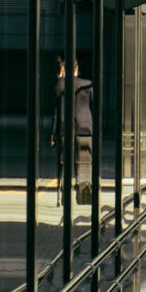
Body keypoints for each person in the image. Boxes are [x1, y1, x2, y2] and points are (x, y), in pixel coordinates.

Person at [53, 59, 95, 203]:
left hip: (66, 129)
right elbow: (94, 107)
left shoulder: (61, 85)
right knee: (84, 162)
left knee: (66, 162)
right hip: (85, 128)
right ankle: (84, 195)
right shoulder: (87, 84)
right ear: (77, 68)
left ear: (64, 69)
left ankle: (65, 196)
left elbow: (56, 112)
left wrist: (54, 134)